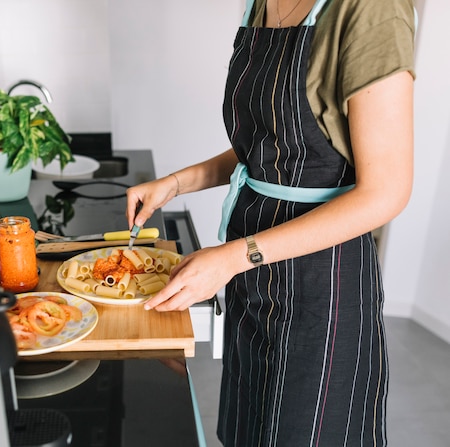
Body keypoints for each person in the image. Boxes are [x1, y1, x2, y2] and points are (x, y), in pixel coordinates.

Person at [125, 0, 416, 445]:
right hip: (252, 275)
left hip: (324, 286)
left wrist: (234, 258)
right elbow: (267, 146)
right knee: (249, 430)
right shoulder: (259, 4)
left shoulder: (372, 9)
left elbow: (386, 192)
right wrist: (177, 183)